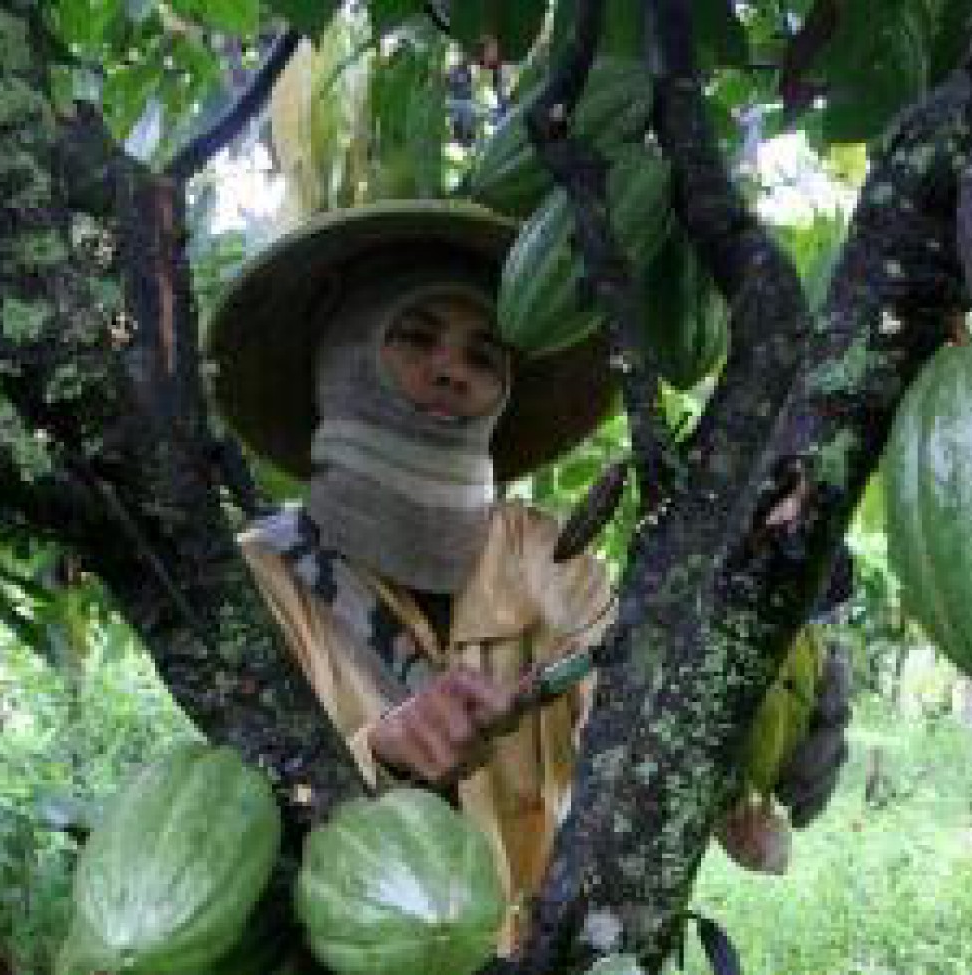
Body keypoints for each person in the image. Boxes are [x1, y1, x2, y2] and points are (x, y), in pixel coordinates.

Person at [207, 199, 849, 946]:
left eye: (484, 355)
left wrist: (755, 714)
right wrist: (376, 753)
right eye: (416, 338)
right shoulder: (256, 579)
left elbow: (638, 694)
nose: (452, 370)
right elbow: (228, 810)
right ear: (344, 355)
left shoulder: (546, 556)